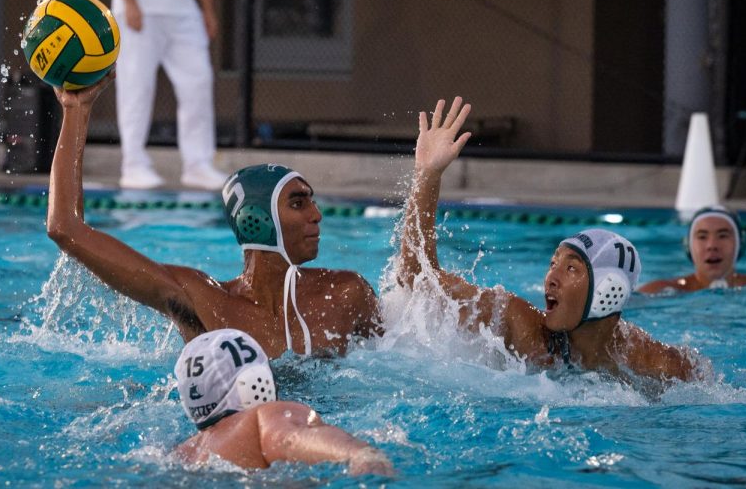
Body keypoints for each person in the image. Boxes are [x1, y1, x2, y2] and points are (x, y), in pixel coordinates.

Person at [46, 74, 382, 358]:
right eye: (298, 203)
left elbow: (406, 346)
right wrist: (76, 110)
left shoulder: (345, 293)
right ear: (256, 220)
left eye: (311, 201)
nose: (317, 214)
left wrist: (426, 175)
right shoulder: (203, 300)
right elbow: (66, 228)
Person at [398, 97, 705, 382]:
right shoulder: (520, 327)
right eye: (553, 263)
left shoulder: (657, 363)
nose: (551, 278)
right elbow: (416, 280)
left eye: (571, 268)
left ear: (609, 289)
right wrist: (428, 175)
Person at [99, 0, 226, 190]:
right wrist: (130, 2)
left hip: (182, 10)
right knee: (136, 86)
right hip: (138, 11)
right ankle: (133, 164)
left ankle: (198, 164)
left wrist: (207, 9)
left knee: (198, 81)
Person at [173, 328, 394, 475]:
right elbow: (289, 438)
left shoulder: (183, 454)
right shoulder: (260, 418)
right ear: (256, 380)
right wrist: (361, 454)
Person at [639, 205, 746, 294]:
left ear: (740, 244)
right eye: (702, 237)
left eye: (723, 236)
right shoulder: (660, 291)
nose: (712, 245)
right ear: (688, 246)